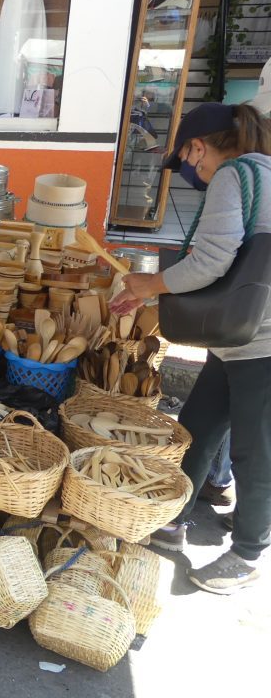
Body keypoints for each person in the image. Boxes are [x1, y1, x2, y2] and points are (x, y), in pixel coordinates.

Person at [110, 102, 271, 594]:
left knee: (255, 449)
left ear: (198, 146)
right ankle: (173, 518)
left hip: (261, 343)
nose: (191, 171)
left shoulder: (233, 174)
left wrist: (148, 285)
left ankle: (247, 553)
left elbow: (212, 262)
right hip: (240, 339)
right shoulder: (264, 171)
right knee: (196, 427)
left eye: (187, 159)